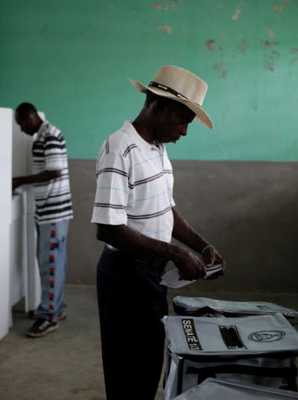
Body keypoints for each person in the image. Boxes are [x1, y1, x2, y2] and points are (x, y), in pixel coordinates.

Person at [91, 65, 227, 399]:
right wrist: (175, 252)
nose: (184, 131)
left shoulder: (157, 148)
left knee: (148, 367)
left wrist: (201, 244)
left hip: (150, 273)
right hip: (125, 277)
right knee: (128, 374)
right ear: (158, 106)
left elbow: (165, 209)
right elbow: (109, 229)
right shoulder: (120, 147)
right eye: (182, 120)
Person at [14, 102, 73, 338]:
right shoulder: (46, 134)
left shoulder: (49, 136)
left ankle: (48, 316)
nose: (21, 130)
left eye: (21, 124)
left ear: (30, 117)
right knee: (56, 260)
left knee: (50, 262)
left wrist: (20, 180)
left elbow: (55, 171)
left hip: (53, 211)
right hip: (52, 210)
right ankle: (55, 308)